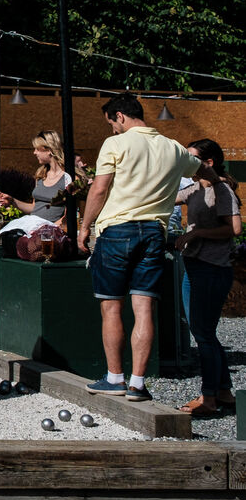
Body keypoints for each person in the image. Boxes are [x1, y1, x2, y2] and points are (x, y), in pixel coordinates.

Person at [78, 93, 218, 402]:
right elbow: (203, 171)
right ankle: (138, 384)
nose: (112, 129)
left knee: (111, 306)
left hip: (117, 230)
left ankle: (115, 378)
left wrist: (85, 226)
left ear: (120, 116)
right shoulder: (173, 148)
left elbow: (99, 189)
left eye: (112, 123)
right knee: (144, 308)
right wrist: (219, 184)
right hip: (154, 232)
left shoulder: (116, 144)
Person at [172, 138, 241, 416]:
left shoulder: (221, 189)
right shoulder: (196, 188)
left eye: (191, 159)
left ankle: (209, 398)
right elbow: (168, 197)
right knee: (205, 334)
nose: (186, 164)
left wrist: (197, 232)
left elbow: (234, 228)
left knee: (203, 335)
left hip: (212, 269)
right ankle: (223, 392)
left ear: (208, 162)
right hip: (194, 267)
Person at [0, 130, 73, 224]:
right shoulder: (41, 175)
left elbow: (71, 215)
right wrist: (12, 201)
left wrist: (49, 228)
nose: (34, 153)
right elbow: (34, 207)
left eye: (37, 149)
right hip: (32, 225)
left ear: (49, 150)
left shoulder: (69, 178)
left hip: (51, 229)